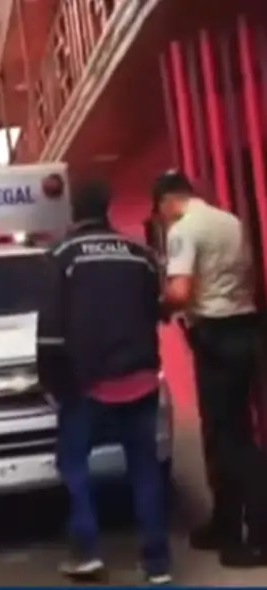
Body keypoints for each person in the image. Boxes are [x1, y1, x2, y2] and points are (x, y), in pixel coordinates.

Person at [36, 180, 170, 584]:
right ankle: (157, 562)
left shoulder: (62, 256)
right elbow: (155, 312)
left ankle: (87, 552)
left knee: (74, 465)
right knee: (144, 469)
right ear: (108, 207)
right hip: (142, 378)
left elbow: (51, 332)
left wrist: (52, 383)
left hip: (89, 384)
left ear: (75, 210)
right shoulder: (140, 255)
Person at [152, 170, 267, 567]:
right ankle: (225, 523)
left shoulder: (184, 229)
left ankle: (257, 535)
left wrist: (159, 306)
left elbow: (181, 291)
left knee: (230, 438)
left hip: (215, 336)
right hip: (246, 330)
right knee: (227, 433)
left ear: (167, 202)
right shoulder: (229, 221)